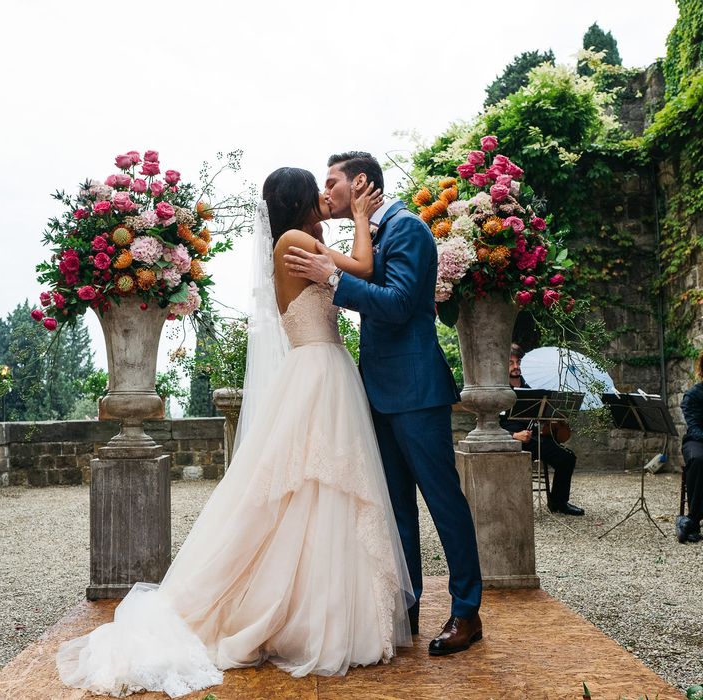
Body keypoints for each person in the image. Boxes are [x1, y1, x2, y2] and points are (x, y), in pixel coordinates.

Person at [56, 167, 414, 697]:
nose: (324, 195)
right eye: (316, 187)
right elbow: (362, 267)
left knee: (320, 493)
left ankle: (322, 603)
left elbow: (348, 274)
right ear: (298, 202)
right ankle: (305, 614)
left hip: (323, 369)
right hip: (319, 372)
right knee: (312, 486)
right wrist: (361, 215)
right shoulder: (294, 241)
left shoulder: (302, 241)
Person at [283, 151, 483, 657]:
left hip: (416, 391)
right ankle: (405, 610)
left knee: (444, 503)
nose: (324, 192)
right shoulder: (367, 233)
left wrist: (332, 277)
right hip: (375, 392)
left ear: (360, 183)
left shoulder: (409, 229)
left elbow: (396, 304)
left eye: (332, 181)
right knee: (395, 510)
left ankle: (466, 613)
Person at [500, 344, 585, 516]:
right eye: (511, 363)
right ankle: (511, 506)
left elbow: (542, 414)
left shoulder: (532, 386)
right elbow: (489, 425)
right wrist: (514, 435)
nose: (516, 367)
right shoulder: (498, 390)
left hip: (535, 438)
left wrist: (552, 418)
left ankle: (558, 503)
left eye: (519, 362)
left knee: (567, 458)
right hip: (512, 440)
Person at [678, 351, 703, 543]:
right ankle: (693, 519)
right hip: (696, 441)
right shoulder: (693, 395)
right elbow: (694, 428)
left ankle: (689, 522)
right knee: (698, 459)